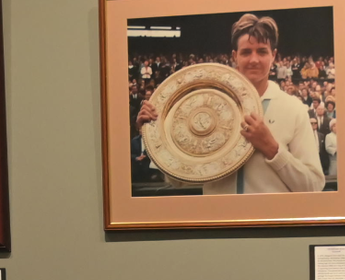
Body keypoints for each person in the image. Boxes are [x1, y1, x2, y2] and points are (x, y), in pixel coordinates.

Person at [139, 12, 326, 194]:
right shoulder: (207, 106)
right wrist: (153, 134)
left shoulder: (294, 109)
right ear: (235, 56)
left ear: (274, 56)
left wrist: (271, 148)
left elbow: (313, 185)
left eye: (262, 51)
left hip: (271, 225)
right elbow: (178, 181)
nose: (254, 59)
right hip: (218, 223)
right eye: (246, 52)